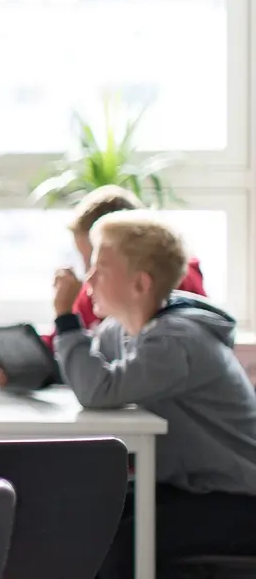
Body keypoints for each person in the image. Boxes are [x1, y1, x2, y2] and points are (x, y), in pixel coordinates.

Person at [52, 210, 256, 579]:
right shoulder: (123, 330)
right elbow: (87, 370)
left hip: (239, 500)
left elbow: (99, 389)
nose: (89, 280)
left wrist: (66, 318)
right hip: (190, 489)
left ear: (140, 284)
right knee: (85, 519)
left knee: (117, 545)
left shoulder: (178, 340)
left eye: (101, 269)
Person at [0, 185, 206, 388]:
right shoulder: (106, 311)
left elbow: (101, 385)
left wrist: (65, 316)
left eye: (97, 262)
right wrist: (20, 367)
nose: (88, 275)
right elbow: (64, 349)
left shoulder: (172, 297)